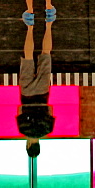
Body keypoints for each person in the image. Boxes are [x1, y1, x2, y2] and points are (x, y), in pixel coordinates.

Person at [17, 19, 55, 157]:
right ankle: (30, 27)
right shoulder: (23, 129)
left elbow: (50, 109)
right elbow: (20, 109)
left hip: (42, 93)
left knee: (46, 54)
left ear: (38, 145)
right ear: (27, 145)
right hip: (26, 94)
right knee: (28, 58)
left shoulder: (47, 129)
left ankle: (49, 24)